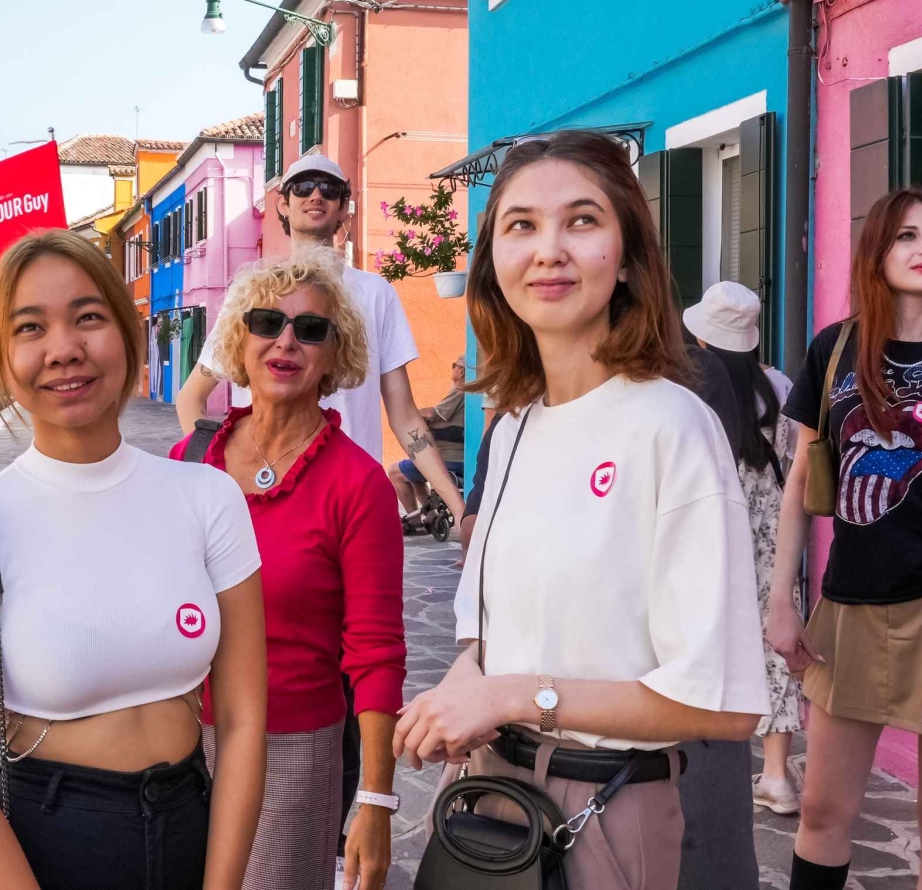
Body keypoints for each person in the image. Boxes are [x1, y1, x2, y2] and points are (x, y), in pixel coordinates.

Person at [394, 131, 770, 889]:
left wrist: (511, 694)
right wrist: (465, 685)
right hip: (492, 793)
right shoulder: (516, 423)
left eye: (584, 220)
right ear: (494, 264)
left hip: (610, 803)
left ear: (628, 256)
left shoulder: (672, 423)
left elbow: (721, 702)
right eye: (521, 224)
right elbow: (492, 629)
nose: (550, 249)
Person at [0, 229, 267, 890]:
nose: (64, 349)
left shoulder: (207, 497)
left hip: (191, 825)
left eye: (88, 317)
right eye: (29, 327)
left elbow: (244, 720)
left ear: (128, 336)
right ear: (1, 359)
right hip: (43, 848)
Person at [769, 188, 922, 890]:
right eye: (907, 236)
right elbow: (800, 482)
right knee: (821, 808)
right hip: (852, 599)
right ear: (877, 254)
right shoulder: (836, 348)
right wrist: (784, 600)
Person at [172, 248, 406, 890]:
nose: (285, 342)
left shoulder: (356, 484)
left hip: (294, 749)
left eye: (310, 330)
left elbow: (377, 652)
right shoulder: (189, 463)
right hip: (177, 746)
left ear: (336, 356)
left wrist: (376, 802)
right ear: (237, 342)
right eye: (266, 322)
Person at [176, 151, 464, 518]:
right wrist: (216, 477)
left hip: (349, 496)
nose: (316, 195)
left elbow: (405, 416)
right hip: (263, 494)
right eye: (303, 187)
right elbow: (191, 398)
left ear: (344, 208)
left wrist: (458, 507)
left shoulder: (375, 294)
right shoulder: (252, 293)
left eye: (329, 189)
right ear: (283, 203)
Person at [685, 280, 805, 816]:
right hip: (773, 535)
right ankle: (777, 775)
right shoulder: (778, 387)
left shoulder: (690, 389)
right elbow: (798, 462)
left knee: (706, 644)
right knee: (774, 650)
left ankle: (704, 760)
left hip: (712, 531)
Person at [388, 356, 466, 521]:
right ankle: (431, 517)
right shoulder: (475, 394)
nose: (452, 369)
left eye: (454, 365)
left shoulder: (461, 390)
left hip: (449, 459)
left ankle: (416, 521)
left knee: (395, 471)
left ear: (461, 371)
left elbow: (433, 414)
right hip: (462, 458)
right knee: (416, 469)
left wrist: (414, 415)